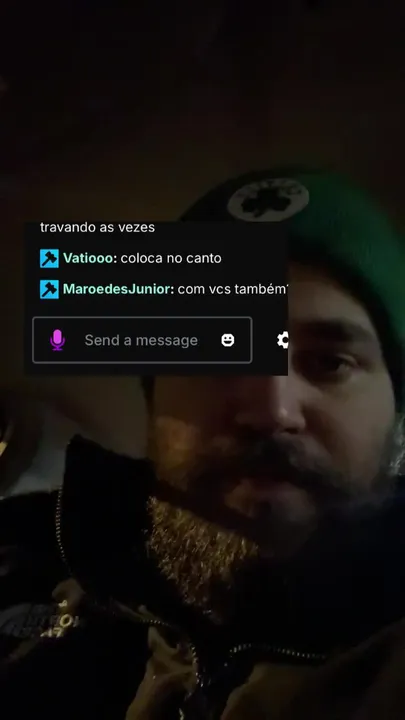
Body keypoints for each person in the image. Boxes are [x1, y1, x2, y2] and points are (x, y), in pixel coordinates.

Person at [1, 168, 405, 720]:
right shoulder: (15, 564)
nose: (273, 410)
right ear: (153, 395)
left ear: (396, 410)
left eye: (330, 362)